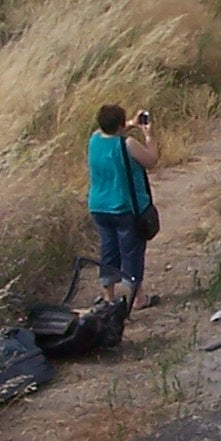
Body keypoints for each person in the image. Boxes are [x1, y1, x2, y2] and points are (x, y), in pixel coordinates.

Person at [88, 103, 158, 307]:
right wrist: (148, 136)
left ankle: (108, 296)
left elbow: (109, 131)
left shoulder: (94, 139)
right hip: (123, 207)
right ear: (120, 125)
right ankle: (138, 298)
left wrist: (130, 124)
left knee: (108, 250)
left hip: (99, 206)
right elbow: (151, 160)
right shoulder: (127, 144)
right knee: (131, 252)